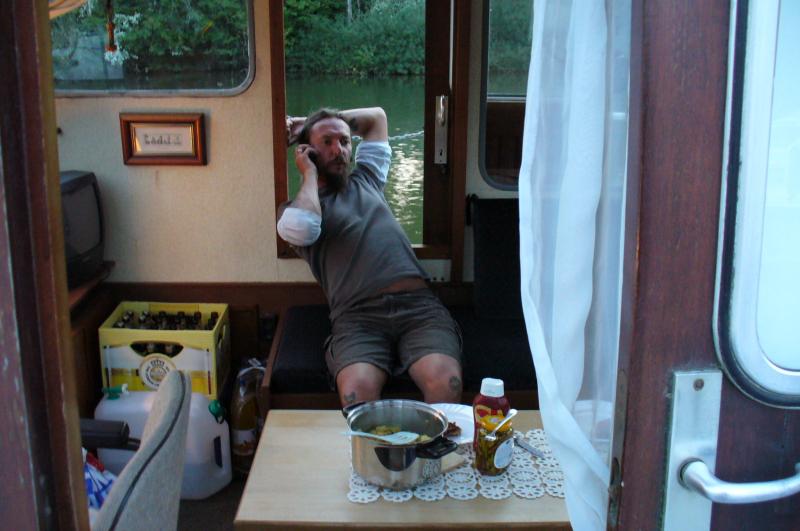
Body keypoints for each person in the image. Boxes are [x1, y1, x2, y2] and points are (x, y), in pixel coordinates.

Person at [277, 107, 462, 406]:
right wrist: (309, 173)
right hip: (357, 317)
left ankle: (434, 440)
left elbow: (377, 118)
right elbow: (304, 229)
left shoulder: (368, 178)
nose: (338, 150)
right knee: (357, 392)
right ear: (307, 152)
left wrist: (304, 124)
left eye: (344, 141)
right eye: (327, 142)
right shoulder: (294, 211)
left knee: (446, 382)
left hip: (419, 308)